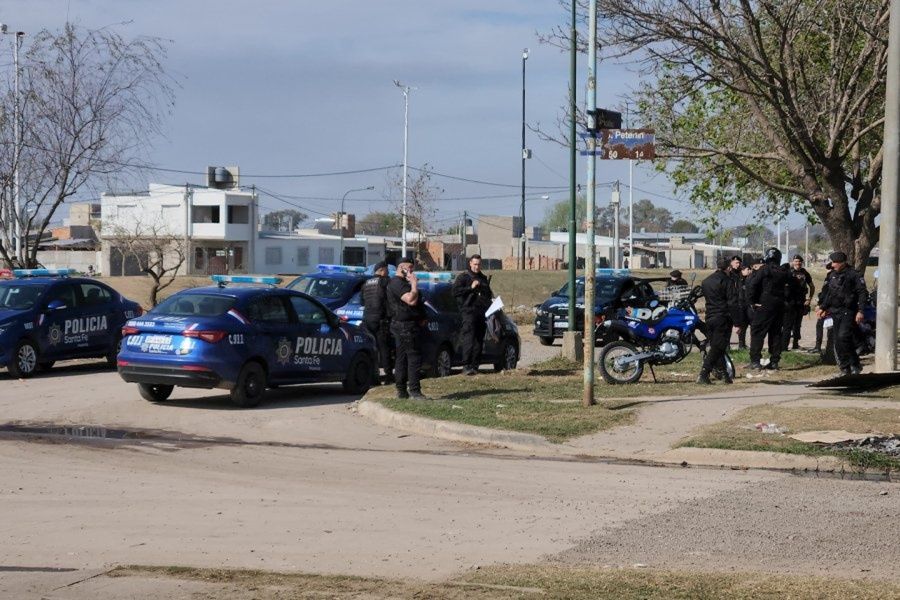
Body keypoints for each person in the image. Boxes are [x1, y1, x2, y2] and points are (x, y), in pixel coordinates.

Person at [816, 251, 868, 376]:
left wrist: (860, 311)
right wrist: (823, 308)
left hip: (848, 311)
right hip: (835, 311)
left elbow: (862, 293)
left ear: (842, 263)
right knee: (838, 341)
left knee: (843, 337)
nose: (832, 265)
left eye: (835, 262)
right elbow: (829, 294)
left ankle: (855, 364)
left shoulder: (854, 275)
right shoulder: (832, 275)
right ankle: (845, 368)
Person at [746, 247, 795, 371]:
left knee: (757, 332)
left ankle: (756, 361)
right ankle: (774, 361)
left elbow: (752, 285)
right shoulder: (784, 271)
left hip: (764, 305)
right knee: (776, 333)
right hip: (779, 305)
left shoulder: (764, 269)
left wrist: (752, 302)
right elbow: (792, 287)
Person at [386, 257, 428, 400]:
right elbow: (411, 300)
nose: (411, 271)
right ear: (401, 268)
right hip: (405, 326)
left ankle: (402, 391)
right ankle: (414, 391)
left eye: (412, 268)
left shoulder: (402, 282)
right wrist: (414, 284)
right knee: (413, 357)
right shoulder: (397, 283)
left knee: (402, 358)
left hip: (407, 324)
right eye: (408, 268)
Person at [453, 254, 494, 375]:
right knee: (469, 339)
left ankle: (475, 365)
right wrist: (470, 288)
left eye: (479, 264)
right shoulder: (463, 277)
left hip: (481, 313)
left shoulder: (483, 278)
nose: (477, 266)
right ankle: (466, 365)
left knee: (479, 340)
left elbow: (487, 295)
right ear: (470, 263)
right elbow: (455, 292)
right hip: (468, 312)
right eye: (475, 264)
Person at [698, 257, 737, 384]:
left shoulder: (706, 281)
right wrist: (737, 322)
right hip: (723, 317)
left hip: (709, 317)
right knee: (718, 346)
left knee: (718, 346)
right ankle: (704, 372)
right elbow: (732, 302)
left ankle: (725, 374)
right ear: (728, 268)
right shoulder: (727, 281)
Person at [361, 261, 393, 385]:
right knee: (384, 348)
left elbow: (362, 302)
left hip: (368, 319)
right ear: (381, 270)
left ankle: (374, 377)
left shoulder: (366, 284)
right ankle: (388, 376)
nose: (388, 272)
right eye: (387, 270)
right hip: (381, 319)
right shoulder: (385, 281)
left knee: (373, 349)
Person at [782, 255, 815, 351]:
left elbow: (811, 286)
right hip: (789, 302)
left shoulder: (804, 273)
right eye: (796, 261)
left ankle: (795, 344)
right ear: (792, 262)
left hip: (801, 302)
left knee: (797, 324)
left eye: (800, 261)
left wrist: (809, 299)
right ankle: (784, 347)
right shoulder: (788, 271)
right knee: (787, 325)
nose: (798, 263)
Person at [735, 264, 753, 349]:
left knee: (753, 325)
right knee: (743, 326)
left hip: (750, 305)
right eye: (746, 269)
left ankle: (753, 343)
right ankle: (741, 344)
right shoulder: (739, 279)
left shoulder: (752, 278)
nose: (748, 271)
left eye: (747, 269)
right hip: (741, 305)